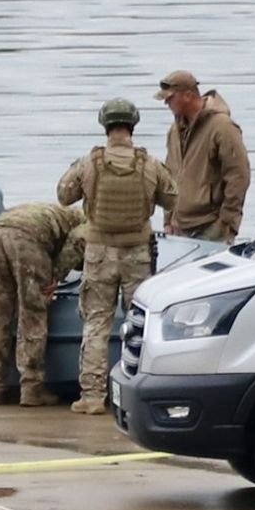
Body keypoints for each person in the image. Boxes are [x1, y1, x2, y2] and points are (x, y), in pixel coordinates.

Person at [58, 98, 177, 415]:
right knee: (139, 325)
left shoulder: (89, 162)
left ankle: (93, 397)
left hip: (98, 254)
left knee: (96, 324)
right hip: (138, 254)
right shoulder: (149, 164)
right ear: (133, 125)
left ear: (105, 125)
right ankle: (136, 394)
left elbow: (63, 195)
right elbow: (172, 199)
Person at [0, 202, 87, 407]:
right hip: (28, 238)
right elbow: (77, 242)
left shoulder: (55, 212)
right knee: (32, 315)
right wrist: (56, 276)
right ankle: (32, 389)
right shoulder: (88, 221)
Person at [155, 69, 250, 244]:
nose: (166, 104)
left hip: (212, 226)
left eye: (170, 98)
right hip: (179, 229)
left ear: (188, 96)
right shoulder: (174, 131)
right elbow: (169, 175)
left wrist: (226, 223)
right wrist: (168, 220)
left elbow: (239, 176)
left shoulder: (222, 127)